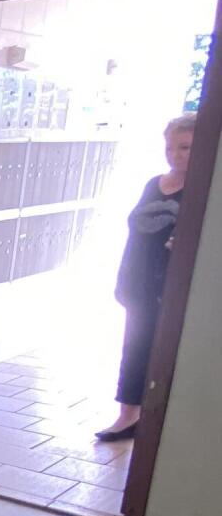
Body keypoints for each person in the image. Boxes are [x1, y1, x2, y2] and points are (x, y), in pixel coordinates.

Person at [97, 114, 194, 441]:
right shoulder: (154, 184)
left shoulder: (199, 190)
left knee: (154, 349)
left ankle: (144, 417)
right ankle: (129, 414)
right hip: (136, 279)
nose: (175, 154)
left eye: (185, 147)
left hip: (164, 286)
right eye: (170, 147)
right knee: (134, 345)